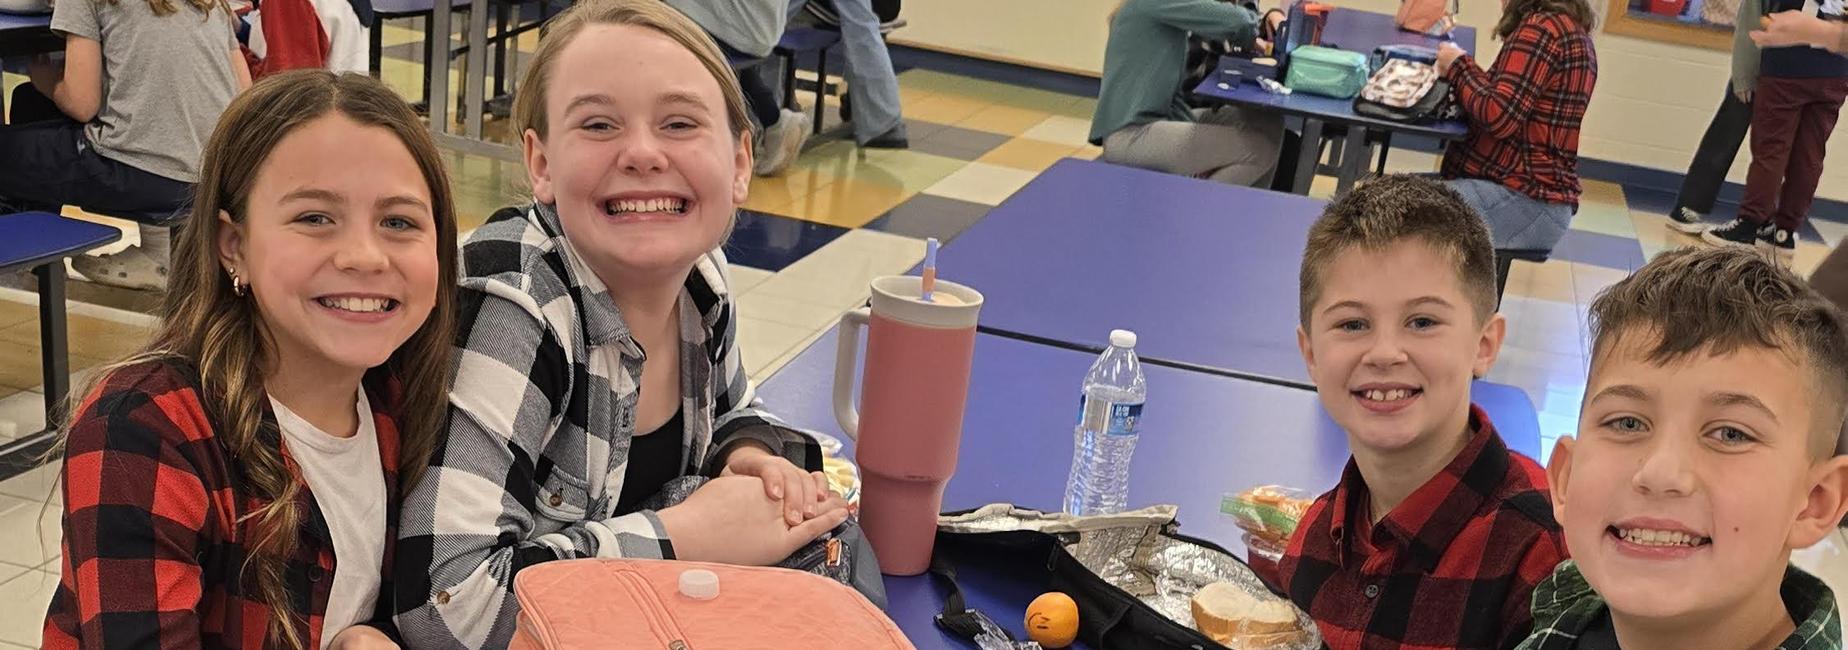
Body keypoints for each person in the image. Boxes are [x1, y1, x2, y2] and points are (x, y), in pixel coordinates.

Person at [393, 1, 849, 647]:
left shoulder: (699, 277)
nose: (642, 152)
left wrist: (750, 453)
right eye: (600, 124)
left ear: (740, 162)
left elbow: (735, 407)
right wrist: (682, 537)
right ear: (541, 163)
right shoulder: (510, 305)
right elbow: (445, 609)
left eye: (680, 123)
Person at [41, 70, 459, 650]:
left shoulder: (403, 401)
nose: (365, 255)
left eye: (399, 222)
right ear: (233, 245)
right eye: (314, 217)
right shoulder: (142, 429)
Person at [1277, 175, 1569, 649]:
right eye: (1353, 323)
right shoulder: (1312, 540)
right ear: (1310, 354)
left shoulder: (1541, 555)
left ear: (1485, 344)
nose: (1385, 353)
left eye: (1423, 322)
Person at [1516, 246, 1848, 649]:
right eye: (1628, 423)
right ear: (1565, 478)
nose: (1659, 473)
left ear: (1816, 501)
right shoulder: (1560, 608)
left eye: (1731, 434)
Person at [0, 0, 252, 291]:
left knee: (16, 139)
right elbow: (243, 95)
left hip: (137, 174)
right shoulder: (213, 3)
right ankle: (40, 262)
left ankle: (19, 263)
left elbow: (82, 104)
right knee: (30, 102)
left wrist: (48, 83)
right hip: (214, 177)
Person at [1434, 0, 1597, 253]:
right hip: (1533, 200)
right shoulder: (1567, 29)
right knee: (1398, 201)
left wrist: (1458, 65)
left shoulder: (1541, 30)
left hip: (1522, 200)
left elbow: (1497, 115)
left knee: (1395, 216)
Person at [1701, 0, 1848, 265]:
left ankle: (1749, 224)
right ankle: (1785, 232)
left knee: (1771, 149)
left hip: (1787, 64)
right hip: (1836, 69)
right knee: (1811, 155)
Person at [1090, 0, 1284, 188]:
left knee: (1269, 121)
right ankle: (1196, 210)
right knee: (1258, 149)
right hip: (1131, 136)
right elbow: (1239, 22)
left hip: (1161, 121)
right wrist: (1254, 31)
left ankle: (1245, 210)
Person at [663, 0, 814, 175]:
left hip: (734, 28)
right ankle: (772, 119)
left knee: (646, 20)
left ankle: (681, 136)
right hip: (762, 29)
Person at [1666, 0, 1759, 234]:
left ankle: (1770, 221)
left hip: (1804, 67)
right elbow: (1749, 18)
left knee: (1777, 149)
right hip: (1760, 60)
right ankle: (1688, 204)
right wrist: (1742, 71)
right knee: (1726, 132)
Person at [788, 0, 909, 148]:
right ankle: (881, 119)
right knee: (861, 24)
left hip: (867, 12)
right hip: (885, 7)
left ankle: (774, 113)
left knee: (768, 18)